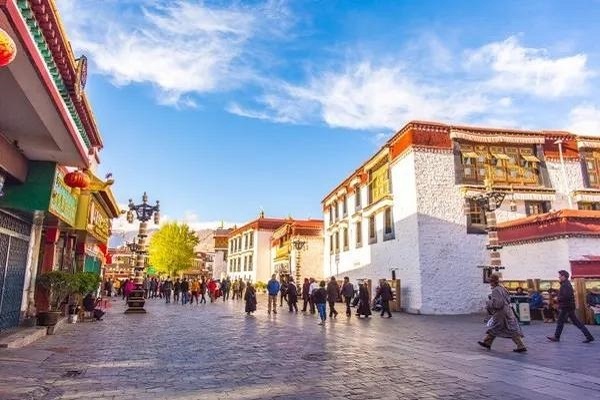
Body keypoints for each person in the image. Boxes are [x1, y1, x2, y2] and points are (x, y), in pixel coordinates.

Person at [478, 274, 527, 353]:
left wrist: (489, 303)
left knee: (500, 327)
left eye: (490, 281)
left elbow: (498, 303)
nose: (490, 283)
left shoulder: (496, 290)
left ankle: (521, 345)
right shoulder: (502, 288)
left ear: (492, 282)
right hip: (507, 311)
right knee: (500, 327)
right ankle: (487, 342)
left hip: (501, 313)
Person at [547, 270, 595, 343]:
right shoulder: (565, 284)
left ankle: (556, 337)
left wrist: (557, 298)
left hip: (566, 306)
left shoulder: (566, 285)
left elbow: (566, 296)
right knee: (576, 322)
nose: (559, 277)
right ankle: (589, 336)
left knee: (561, 321)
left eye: (560, 275)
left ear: (564, 276)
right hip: (568, 306)